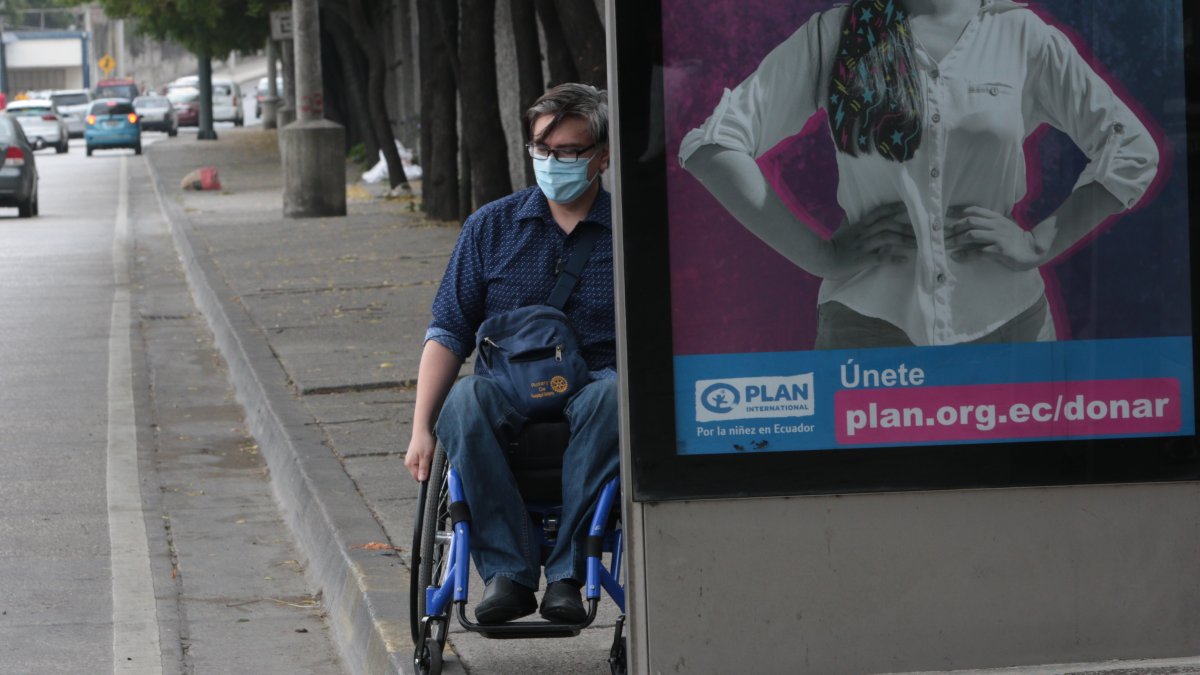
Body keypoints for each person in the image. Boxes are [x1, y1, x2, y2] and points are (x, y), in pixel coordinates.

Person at [680, 0, 1159, 348]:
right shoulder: (836, 33)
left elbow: (1131, 149)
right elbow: (712, 145)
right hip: (866, 331)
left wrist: (1040, 243)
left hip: (1007, 329)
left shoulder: (1018, 33)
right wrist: (819, 257)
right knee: (861, 486)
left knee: (1013, 486)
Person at [404, 83, 618, 625]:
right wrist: (420, 428)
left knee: (617, 396)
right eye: (542, 151)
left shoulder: (628, 233)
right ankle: (509, 574)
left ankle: (569, 574)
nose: (553, 163)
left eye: (568, 152)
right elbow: (450, 329)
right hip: (506, 388)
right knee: (464, 401)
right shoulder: (491, 227)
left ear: (602, 156)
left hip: (593, 383)